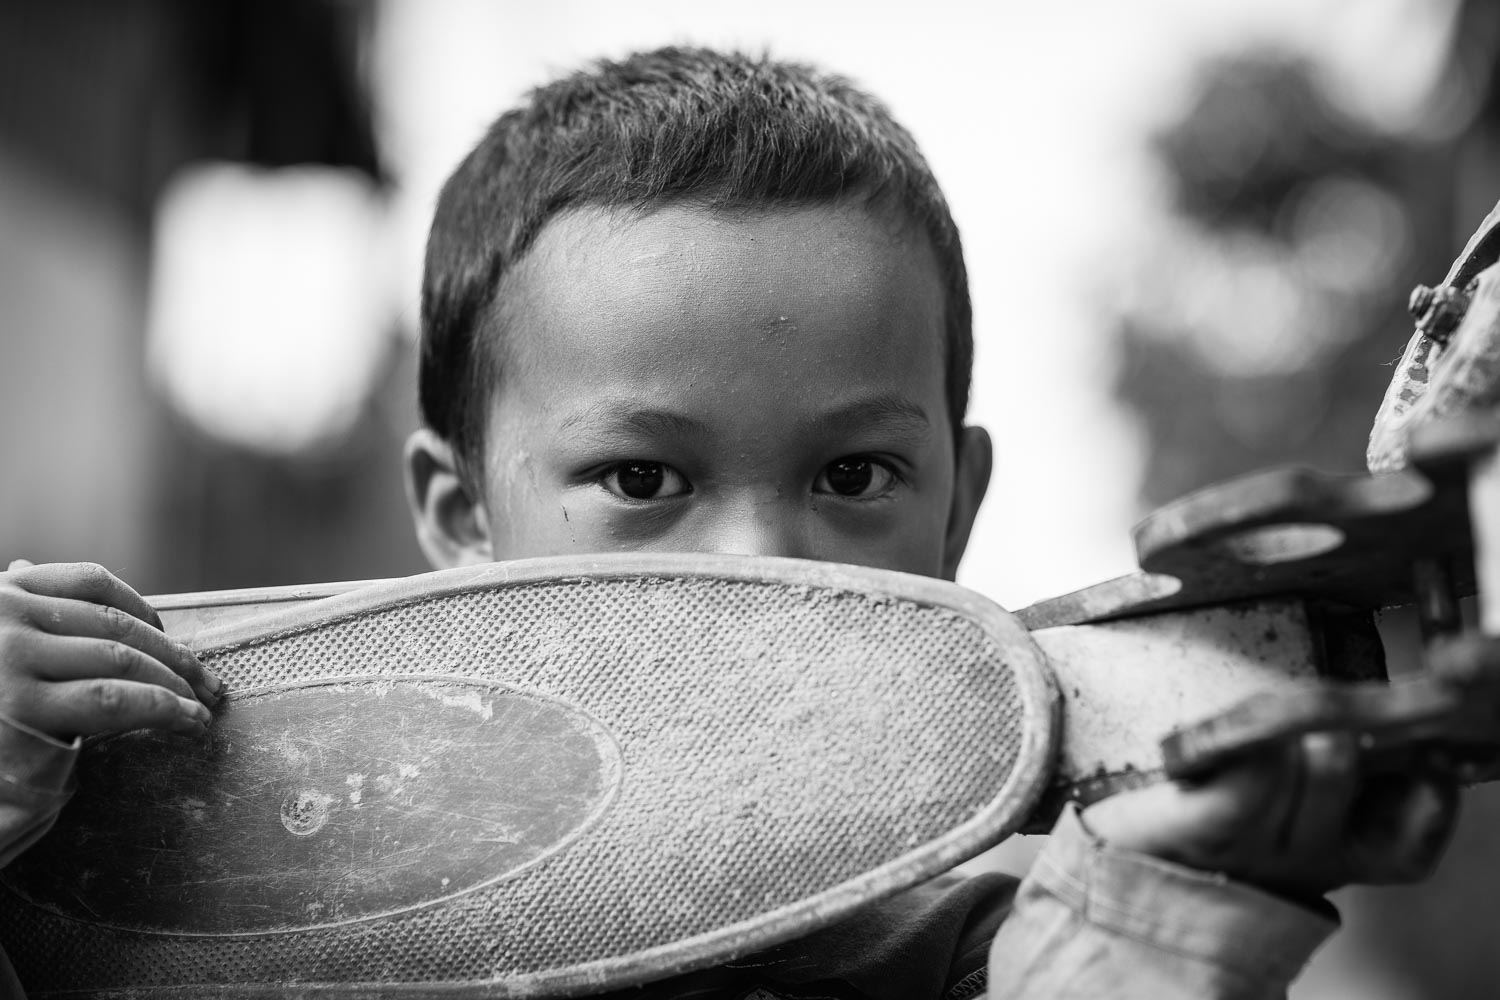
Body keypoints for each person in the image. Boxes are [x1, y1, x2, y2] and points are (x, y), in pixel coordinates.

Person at [0, 46, 1460, 999]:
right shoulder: (201, 879)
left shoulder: (979, 949)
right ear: (460, 514)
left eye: (851, 478)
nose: (764, 564)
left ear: (957, 508)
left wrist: (1176, 886)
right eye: (643, 481)